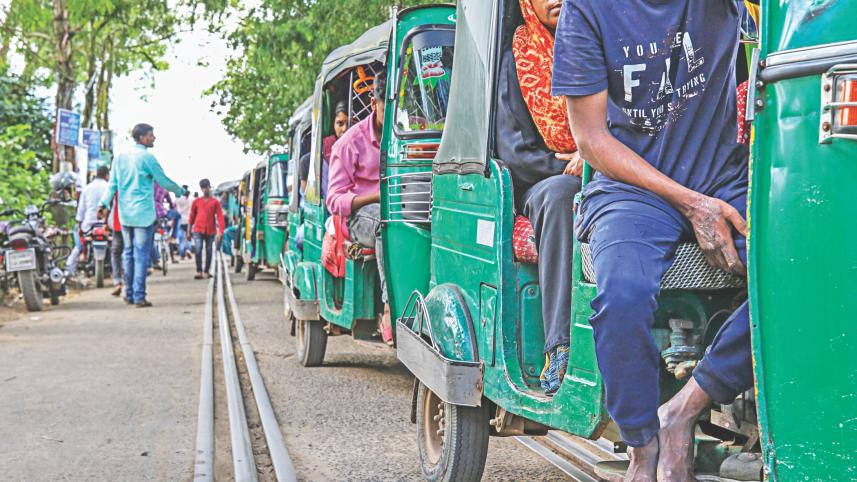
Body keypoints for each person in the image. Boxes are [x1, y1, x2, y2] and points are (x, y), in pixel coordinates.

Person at [553, 1, 753, 479]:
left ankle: (683, 409)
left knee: (800, 270)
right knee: (621, 297)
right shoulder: (587, 12)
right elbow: (591, 140)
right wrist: (691, 203)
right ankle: (642, 443)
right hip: (631, 189)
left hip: (725, 178)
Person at [496, 0, 582, 395]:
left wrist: (597, 152)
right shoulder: (518, 57)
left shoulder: (597, 44)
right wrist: (573, 165)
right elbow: (516, 153)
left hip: (608, 165)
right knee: (562, 195)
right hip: (543, 179)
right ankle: (560, 345)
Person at [326, 73, 391, 344]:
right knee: (385, 225)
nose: (393, 117)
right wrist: (374, 197)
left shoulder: (408, 131)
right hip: (359, 217)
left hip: (399, 205)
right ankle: (389, 308)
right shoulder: (349, 144)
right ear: (373, 101)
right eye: (387, 106)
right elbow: (334, 200)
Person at [99, 123, 185, 307]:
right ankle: (139, 296)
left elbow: (112, 185)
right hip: (143, 215)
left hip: (125, 215)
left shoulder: (120, 158)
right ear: (142, 137)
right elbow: (163, 181)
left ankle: (128, 294)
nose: (153, 138)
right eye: (151, 135)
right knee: (141, 255)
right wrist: (179, 191)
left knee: (128, 253)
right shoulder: (147, 158)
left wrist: (103, 203)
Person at [66, 165, 111, 276]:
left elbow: (81, 210)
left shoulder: (87, 188)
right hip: (107, 225)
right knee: (119, 247)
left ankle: (69, 271)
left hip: (89, 224)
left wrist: (79, 224)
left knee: (78, 245)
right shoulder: (110, 187)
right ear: (107, 175)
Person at [188, 178, 225, 279]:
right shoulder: (196, 202)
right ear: (201, 189)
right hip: (198, 229)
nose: (205, 190)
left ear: (209, 187)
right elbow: (191, 217)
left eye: (206, 188)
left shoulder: (215, 202)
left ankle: (206, 271)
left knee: (209, 250)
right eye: (203, 188)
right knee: (198, 249)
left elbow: (220, 216)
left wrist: (221, 231)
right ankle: (199, 271)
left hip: (210, 230)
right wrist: (188, 230)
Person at [320, 101, 350, 198]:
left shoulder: (363, 147)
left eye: (349, 124)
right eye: (340, 123)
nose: (345, 129)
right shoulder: (325, 149)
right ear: (333, 124)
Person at [150, 181, 175, 270]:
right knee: (165, 230)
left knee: (150, 239)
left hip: (150, 213)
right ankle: (171, 237)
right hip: (161, 213)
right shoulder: (164, 188)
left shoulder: (149, 185)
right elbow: (171, 204)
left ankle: (155, 260)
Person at [107, 193, 124, 297]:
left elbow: (107, 201)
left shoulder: (118, 178)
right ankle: (132, 286)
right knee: (131, 252)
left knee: (116, 252)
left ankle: (118, 282)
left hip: (119, 222)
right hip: (138, 222)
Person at [176, 187, 192, 259]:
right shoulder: (191, 200)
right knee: (189, 238)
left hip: (181, 221)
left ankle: (182, 254)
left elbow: (174, 207)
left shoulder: (178, 200)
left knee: (181, 239)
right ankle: (188, 249)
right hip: (189, 221)